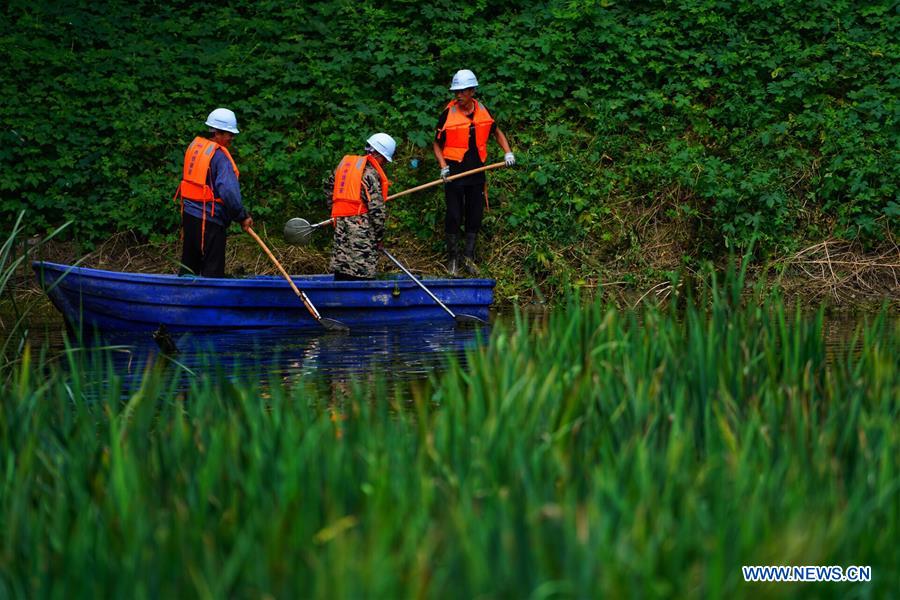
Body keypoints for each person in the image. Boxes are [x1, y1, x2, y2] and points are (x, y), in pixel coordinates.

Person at [433, 69, 515, 276]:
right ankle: (452, 259)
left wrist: (508, 152)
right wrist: (443, 166)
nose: (458, 95)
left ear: (472, 91)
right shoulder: (447, 114)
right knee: (453, 214)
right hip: (454, 173)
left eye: (462, 91)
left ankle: (468, 257)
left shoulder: (482, 111)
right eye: (456, 92)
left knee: (474, 214)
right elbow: (436, 144)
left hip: (477, 171)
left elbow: (496, 132)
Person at [174, 108, 252, 277]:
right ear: (217, 133)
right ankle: (210, 299)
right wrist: (242, 216)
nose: (232, 138)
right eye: (229, 134)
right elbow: (229, 192)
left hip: (190, 216)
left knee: (189, 265)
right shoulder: (220, 157)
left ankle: (184, 297)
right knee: (212, 269)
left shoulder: (196, 147)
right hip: (210, 221)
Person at [323, 133, 396, 280]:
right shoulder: (370, 174)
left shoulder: (345, 167)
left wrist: (336, 210)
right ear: (378, 155)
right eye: (384, 160)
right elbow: (377, 212)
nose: (384, 164)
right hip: (362, 232)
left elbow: (328, 186)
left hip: (340, 227)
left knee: (342, 270)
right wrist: (379, 236)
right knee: (361, 273)